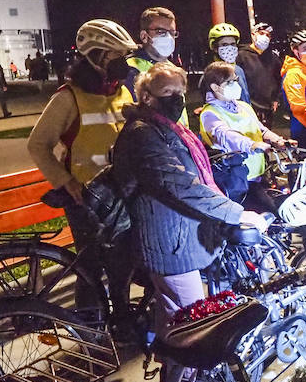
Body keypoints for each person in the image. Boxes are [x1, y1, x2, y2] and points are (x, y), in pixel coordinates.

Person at [111, 62, 266, 337]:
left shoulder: (168, 128)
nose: (176, 99)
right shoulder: (142, 133)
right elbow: (177, 184)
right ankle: (189, 379)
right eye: (167, 91)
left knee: (175, 320)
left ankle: (171, 374)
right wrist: (235, 213)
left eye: (180, 91)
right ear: (146, 96)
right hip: (169, 244)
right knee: (196, 330)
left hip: (178, 237)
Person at [27, 18, 141, 337]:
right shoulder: (68, 97)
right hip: (86, 198)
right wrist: (65, 182)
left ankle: (120, 322)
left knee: (123, 261)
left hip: (120, 193)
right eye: (116, 55)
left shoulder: (120, 92)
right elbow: (37, 144)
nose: (124, 62)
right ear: (95, 56)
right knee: (91, 266)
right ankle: (90, 329)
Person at [199, 60, 288, 212]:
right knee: (267, 214)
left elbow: (261, 129)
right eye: (230, 82)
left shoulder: (243, 106)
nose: (235, 85)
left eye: (236, 80)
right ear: (215, 87)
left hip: (257, 176)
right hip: (234, 182)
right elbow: (225, 136)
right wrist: (251, 145)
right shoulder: (210, 113)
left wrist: (278, 140)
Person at [125, 7, 188, 125]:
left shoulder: (172, 68)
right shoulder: (130, 69)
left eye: (172, 33)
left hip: (177, 138)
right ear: (144, 36)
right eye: (161, 32)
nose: (168, 38)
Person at [236, 21, 281, 125]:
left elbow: (278, 80)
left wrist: (276, 99)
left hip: (267, 109)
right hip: (247, 108)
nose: (265, 37)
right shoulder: (241, 56)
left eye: (268, 35)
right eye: (261, 33)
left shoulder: (273, 59)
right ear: (253, 35)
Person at [207, 22, 250, 102]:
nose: (229, 48)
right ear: (215, 48)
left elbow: (246, 96)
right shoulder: (211, 74)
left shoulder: (239, 70)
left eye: (233, 44)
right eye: (224, 45)